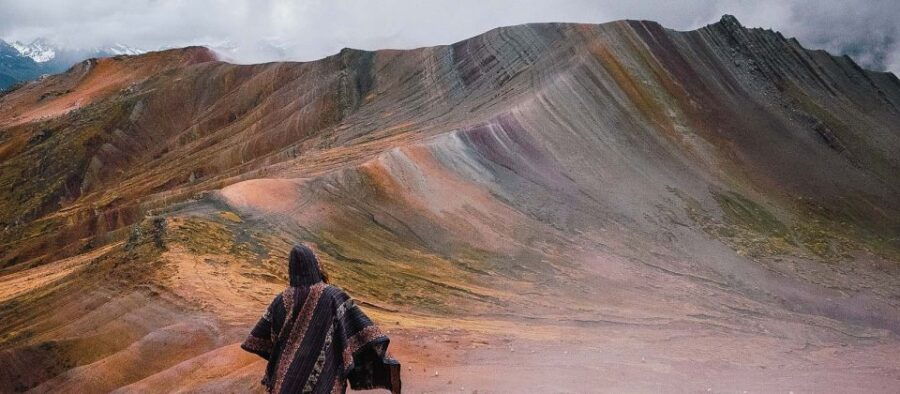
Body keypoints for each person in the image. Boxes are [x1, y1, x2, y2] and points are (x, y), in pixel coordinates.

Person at [242, 244, 401, 393]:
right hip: (323, 383)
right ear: (315, 264)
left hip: (283, 383)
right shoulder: (333, 296)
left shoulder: (280, 300)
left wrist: (290, 357)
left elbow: (261, 340)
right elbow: (361, 331)